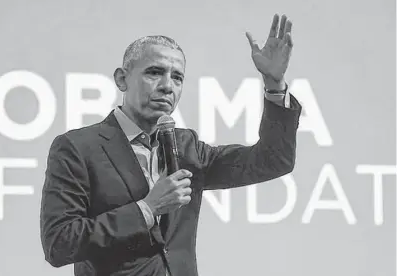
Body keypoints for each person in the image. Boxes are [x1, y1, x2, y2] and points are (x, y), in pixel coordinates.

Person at [40, 14, 302, 276]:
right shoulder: (78, 148)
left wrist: (274, 85)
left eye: (177, 77)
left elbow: (272, 160)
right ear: (121, 79)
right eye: (154, 72)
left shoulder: (187, 147)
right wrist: (147, 209)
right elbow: (59, 244)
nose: (167, 86)